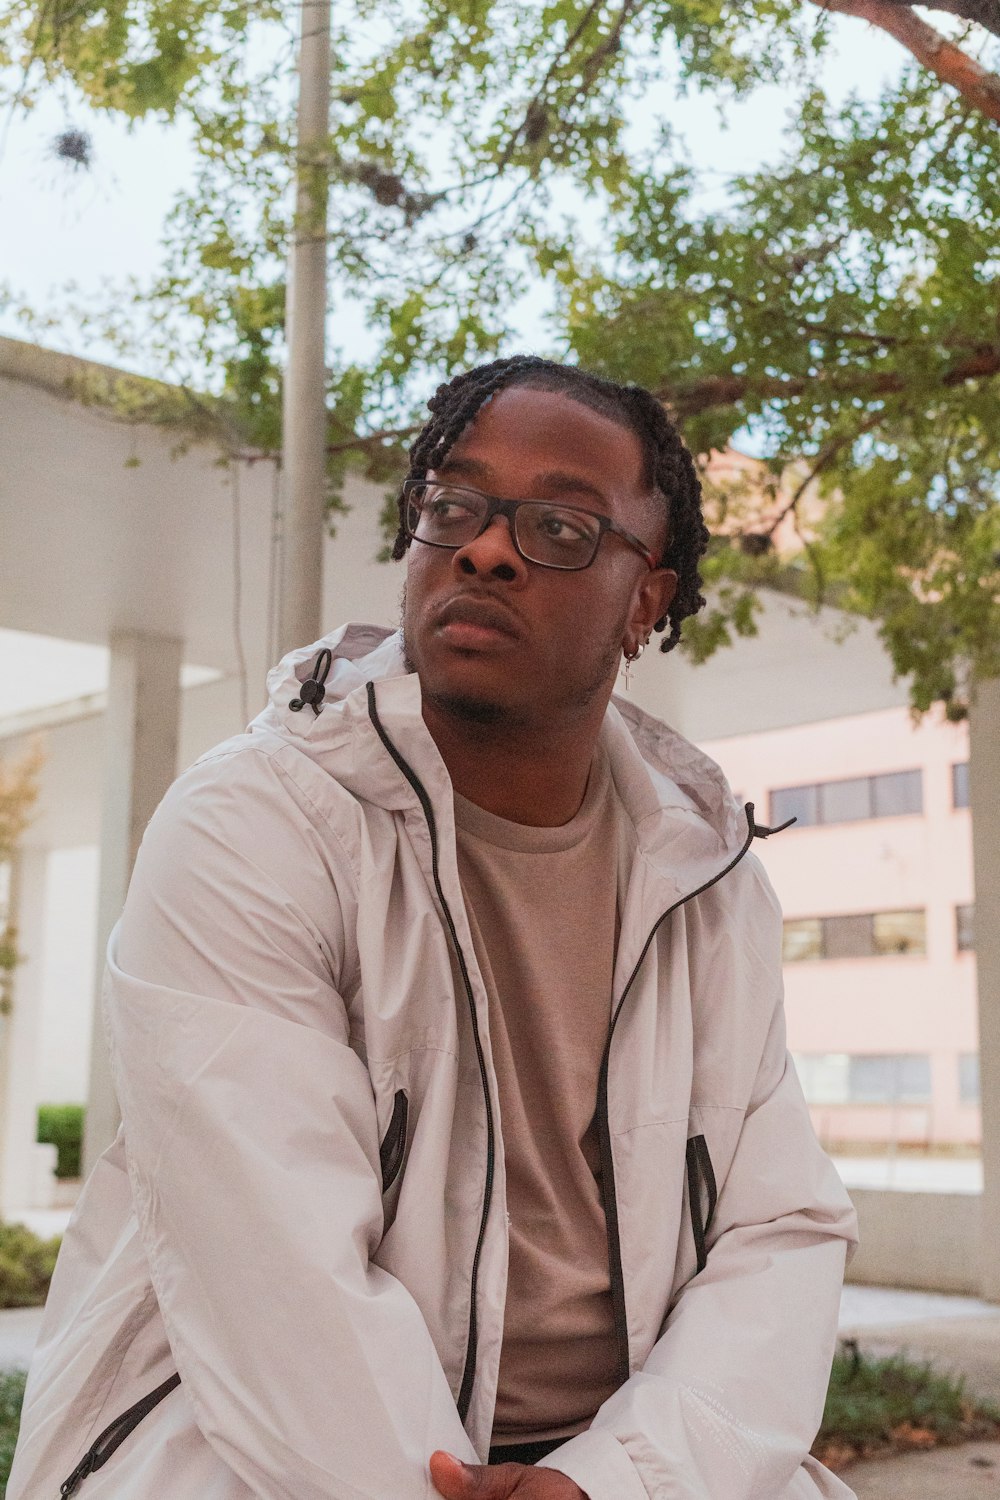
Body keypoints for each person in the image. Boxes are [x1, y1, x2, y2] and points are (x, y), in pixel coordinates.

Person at [9, 355, 858, 1500]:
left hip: (623, 1460)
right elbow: (276, 1286)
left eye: (559, 527)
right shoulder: (255, 822)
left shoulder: (707, 877)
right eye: (452, 506)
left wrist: (606, 1483)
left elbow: (779, 1233)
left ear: (645, 604)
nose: (486, 547)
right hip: (254, 1454)